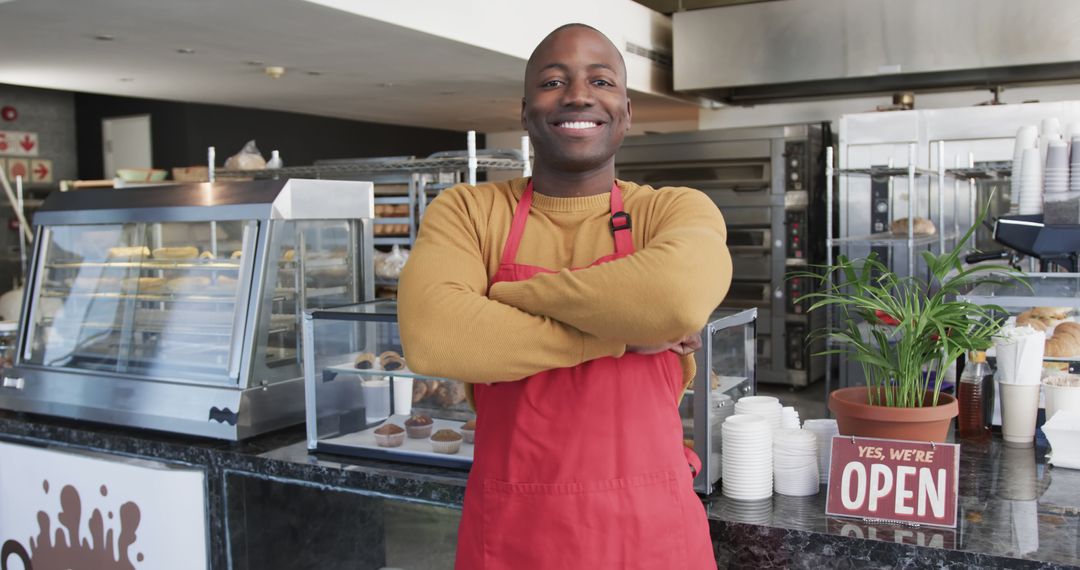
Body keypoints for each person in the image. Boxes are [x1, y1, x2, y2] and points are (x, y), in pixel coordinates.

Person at [399, 23, 731, 570]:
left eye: (600, 80)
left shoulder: (672, 210)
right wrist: (622, 338)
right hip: (513, 535)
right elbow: (434, 337)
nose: (578, 94)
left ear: (626, 110)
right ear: (525, 111)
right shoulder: (468, 211)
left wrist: (505, 297)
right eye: (553, 81)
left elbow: (674, 299)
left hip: (652, 536)